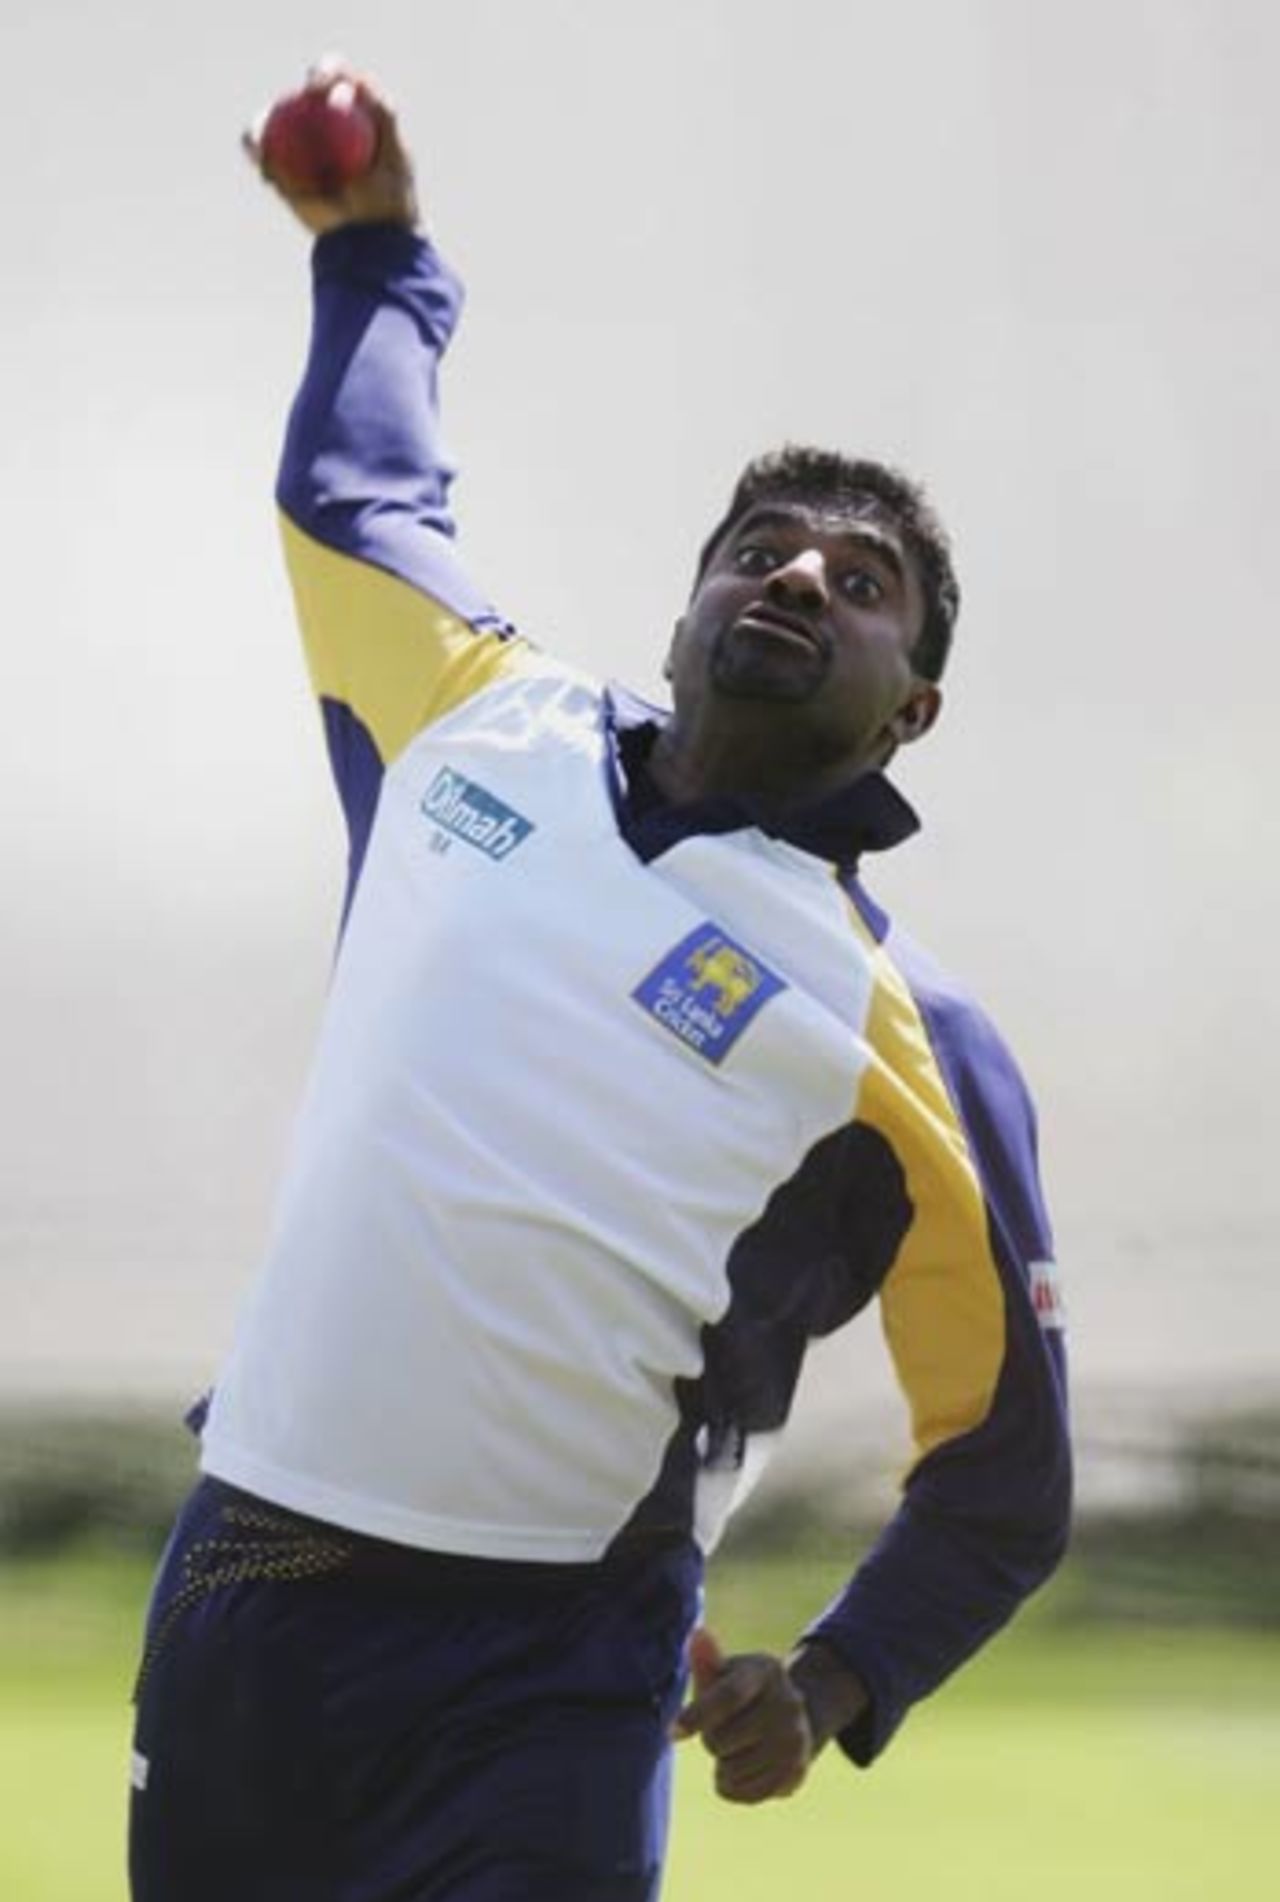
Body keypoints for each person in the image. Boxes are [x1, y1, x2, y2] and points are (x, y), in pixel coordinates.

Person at [128, 62, 1071, 1902]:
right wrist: (378, 255)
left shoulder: (913, 1041)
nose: (798, 570)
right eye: (758, 547)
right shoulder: (478, 720)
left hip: (549, 1667)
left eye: (862, 579)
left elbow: (1003, 1468)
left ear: (914, 705)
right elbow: (353, 488)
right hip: (256, 1568)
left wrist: (847, 1670)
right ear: (688, 603)